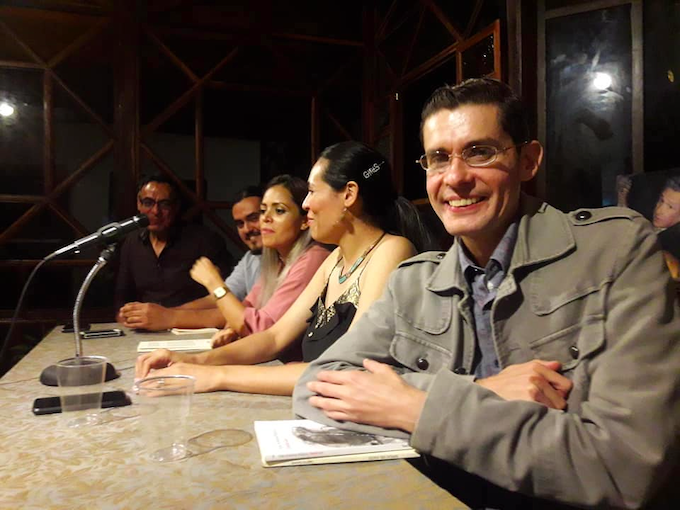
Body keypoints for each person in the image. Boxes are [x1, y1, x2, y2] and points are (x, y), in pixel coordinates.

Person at [293, 79, 680, 509]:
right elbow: (313, 386)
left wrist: (415, 408)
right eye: (439, 158)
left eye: (480, 152)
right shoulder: (413, 282)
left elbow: (625, 466)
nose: (455, 177)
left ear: (528, 161)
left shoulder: (615, 251)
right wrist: (483, 388)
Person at [135, 141, 432, 395]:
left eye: (312, 191)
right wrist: (193, 361)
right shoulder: (334, 261)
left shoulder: (391, 250)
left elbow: (348, 367)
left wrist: (218, 376)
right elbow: (274, 337)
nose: (306, 204)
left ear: (348, 195)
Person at [119, 186, 264, 330]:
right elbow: (221, 299)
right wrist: (157, 314)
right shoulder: (251, 258)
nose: (247, 229)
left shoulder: (205, 240)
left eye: (253, 218)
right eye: (240, 224)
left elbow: (242, 317)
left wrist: (214, 283)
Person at [115, 174, 230, 325]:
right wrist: (124, 316)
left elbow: (225, 296)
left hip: (192, 326)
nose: (155, 211)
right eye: (148, 203)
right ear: (138, 204)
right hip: (145, 328)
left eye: (164, 204)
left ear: (176, 207)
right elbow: (122, 297)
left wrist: (166, 316)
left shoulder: (205, 240)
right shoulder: (131, 242)